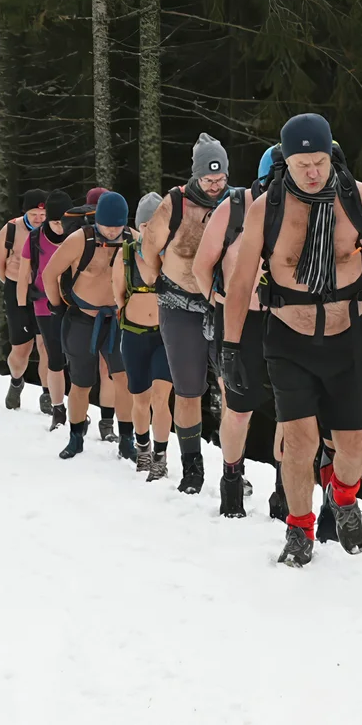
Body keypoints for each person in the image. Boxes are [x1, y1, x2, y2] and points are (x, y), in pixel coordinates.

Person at [221, 113, 362, 567]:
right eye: (302, 163)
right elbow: (241, 281)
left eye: (319, 161)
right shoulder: (269, 207)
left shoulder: (356, 199)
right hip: (289, 339)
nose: (312, 171)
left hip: (347, 338)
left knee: (355, 445)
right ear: (286, 161)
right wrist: (229, 346)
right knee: (300, 442)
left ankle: (342, 498)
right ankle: (300, 528)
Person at [193, 144, 284, 519]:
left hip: (286, 323)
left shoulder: (301, 209)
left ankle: (285, 488)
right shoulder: (232, 209)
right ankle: (231, 477)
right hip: (240, 323)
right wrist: (222, 300)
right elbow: (202, 267)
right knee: (238, 409)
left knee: (291, 411)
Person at [138, 135, 233, 494]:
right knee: (189, 391)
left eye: (220, 178)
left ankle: (233, 466)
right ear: (195, 176)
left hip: (221, 305)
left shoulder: (235, 202)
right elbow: (150, 247)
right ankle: (192, 465)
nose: (215, 185)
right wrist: (153, 280)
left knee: (231, 391)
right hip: (180, 305)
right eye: (208, 179)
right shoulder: (174, 204)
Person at [44, 191, 134, 460]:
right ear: (98, 222)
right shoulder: (80, 239)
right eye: (108, 226)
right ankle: (75, 437)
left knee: (124, 380)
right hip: (82, 319)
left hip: (118, 320)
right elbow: (49, 273)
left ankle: (127, 439)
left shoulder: (132, 239)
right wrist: (56, 306)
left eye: (118, 225)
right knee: (81, 383)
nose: (113, 231)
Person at [119, 193, 173, 481]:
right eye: (145, 226)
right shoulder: (126, 254)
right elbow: (118, 294)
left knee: (161, 398)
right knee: (139, 399)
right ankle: (143, 448)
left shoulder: (172, 256)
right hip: (134, 335)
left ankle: (161, 456)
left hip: (165, 337)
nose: (149, 232)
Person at [18, 189, 73, 430]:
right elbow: (23, 277)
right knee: (53, 357)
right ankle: (57, 408)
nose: (60, 227)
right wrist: (21, 310)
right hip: (44, 305)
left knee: (78, 359)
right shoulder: (34, 239)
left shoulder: (78, 236)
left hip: (74, 306)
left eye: (63, 221)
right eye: (55, 221)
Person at [0, 190, 48, 409]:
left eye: (43, 214)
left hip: (45, 291)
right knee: (21, 349)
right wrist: (14, 284)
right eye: (34, 214)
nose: (39, 219)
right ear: (26, 211)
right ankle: (16, 381)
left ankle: (47, 395)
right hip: (17, 291)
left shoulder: (54, 229)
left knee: (46, 346)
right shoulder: (12, 228)